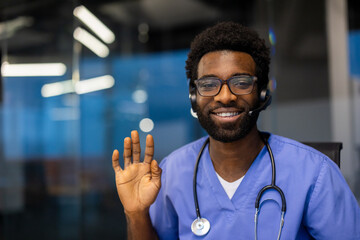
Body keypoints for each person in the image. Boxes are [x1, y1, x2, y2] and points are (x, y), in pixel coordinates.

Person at [112, 22, 360, 240]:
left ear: (262, 92)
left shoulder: (314, 173)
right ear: (193, 96)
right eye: (209, 85)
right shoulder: (173, 172)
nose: (225, 96)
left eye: (241, 82)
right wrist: (136, 214)